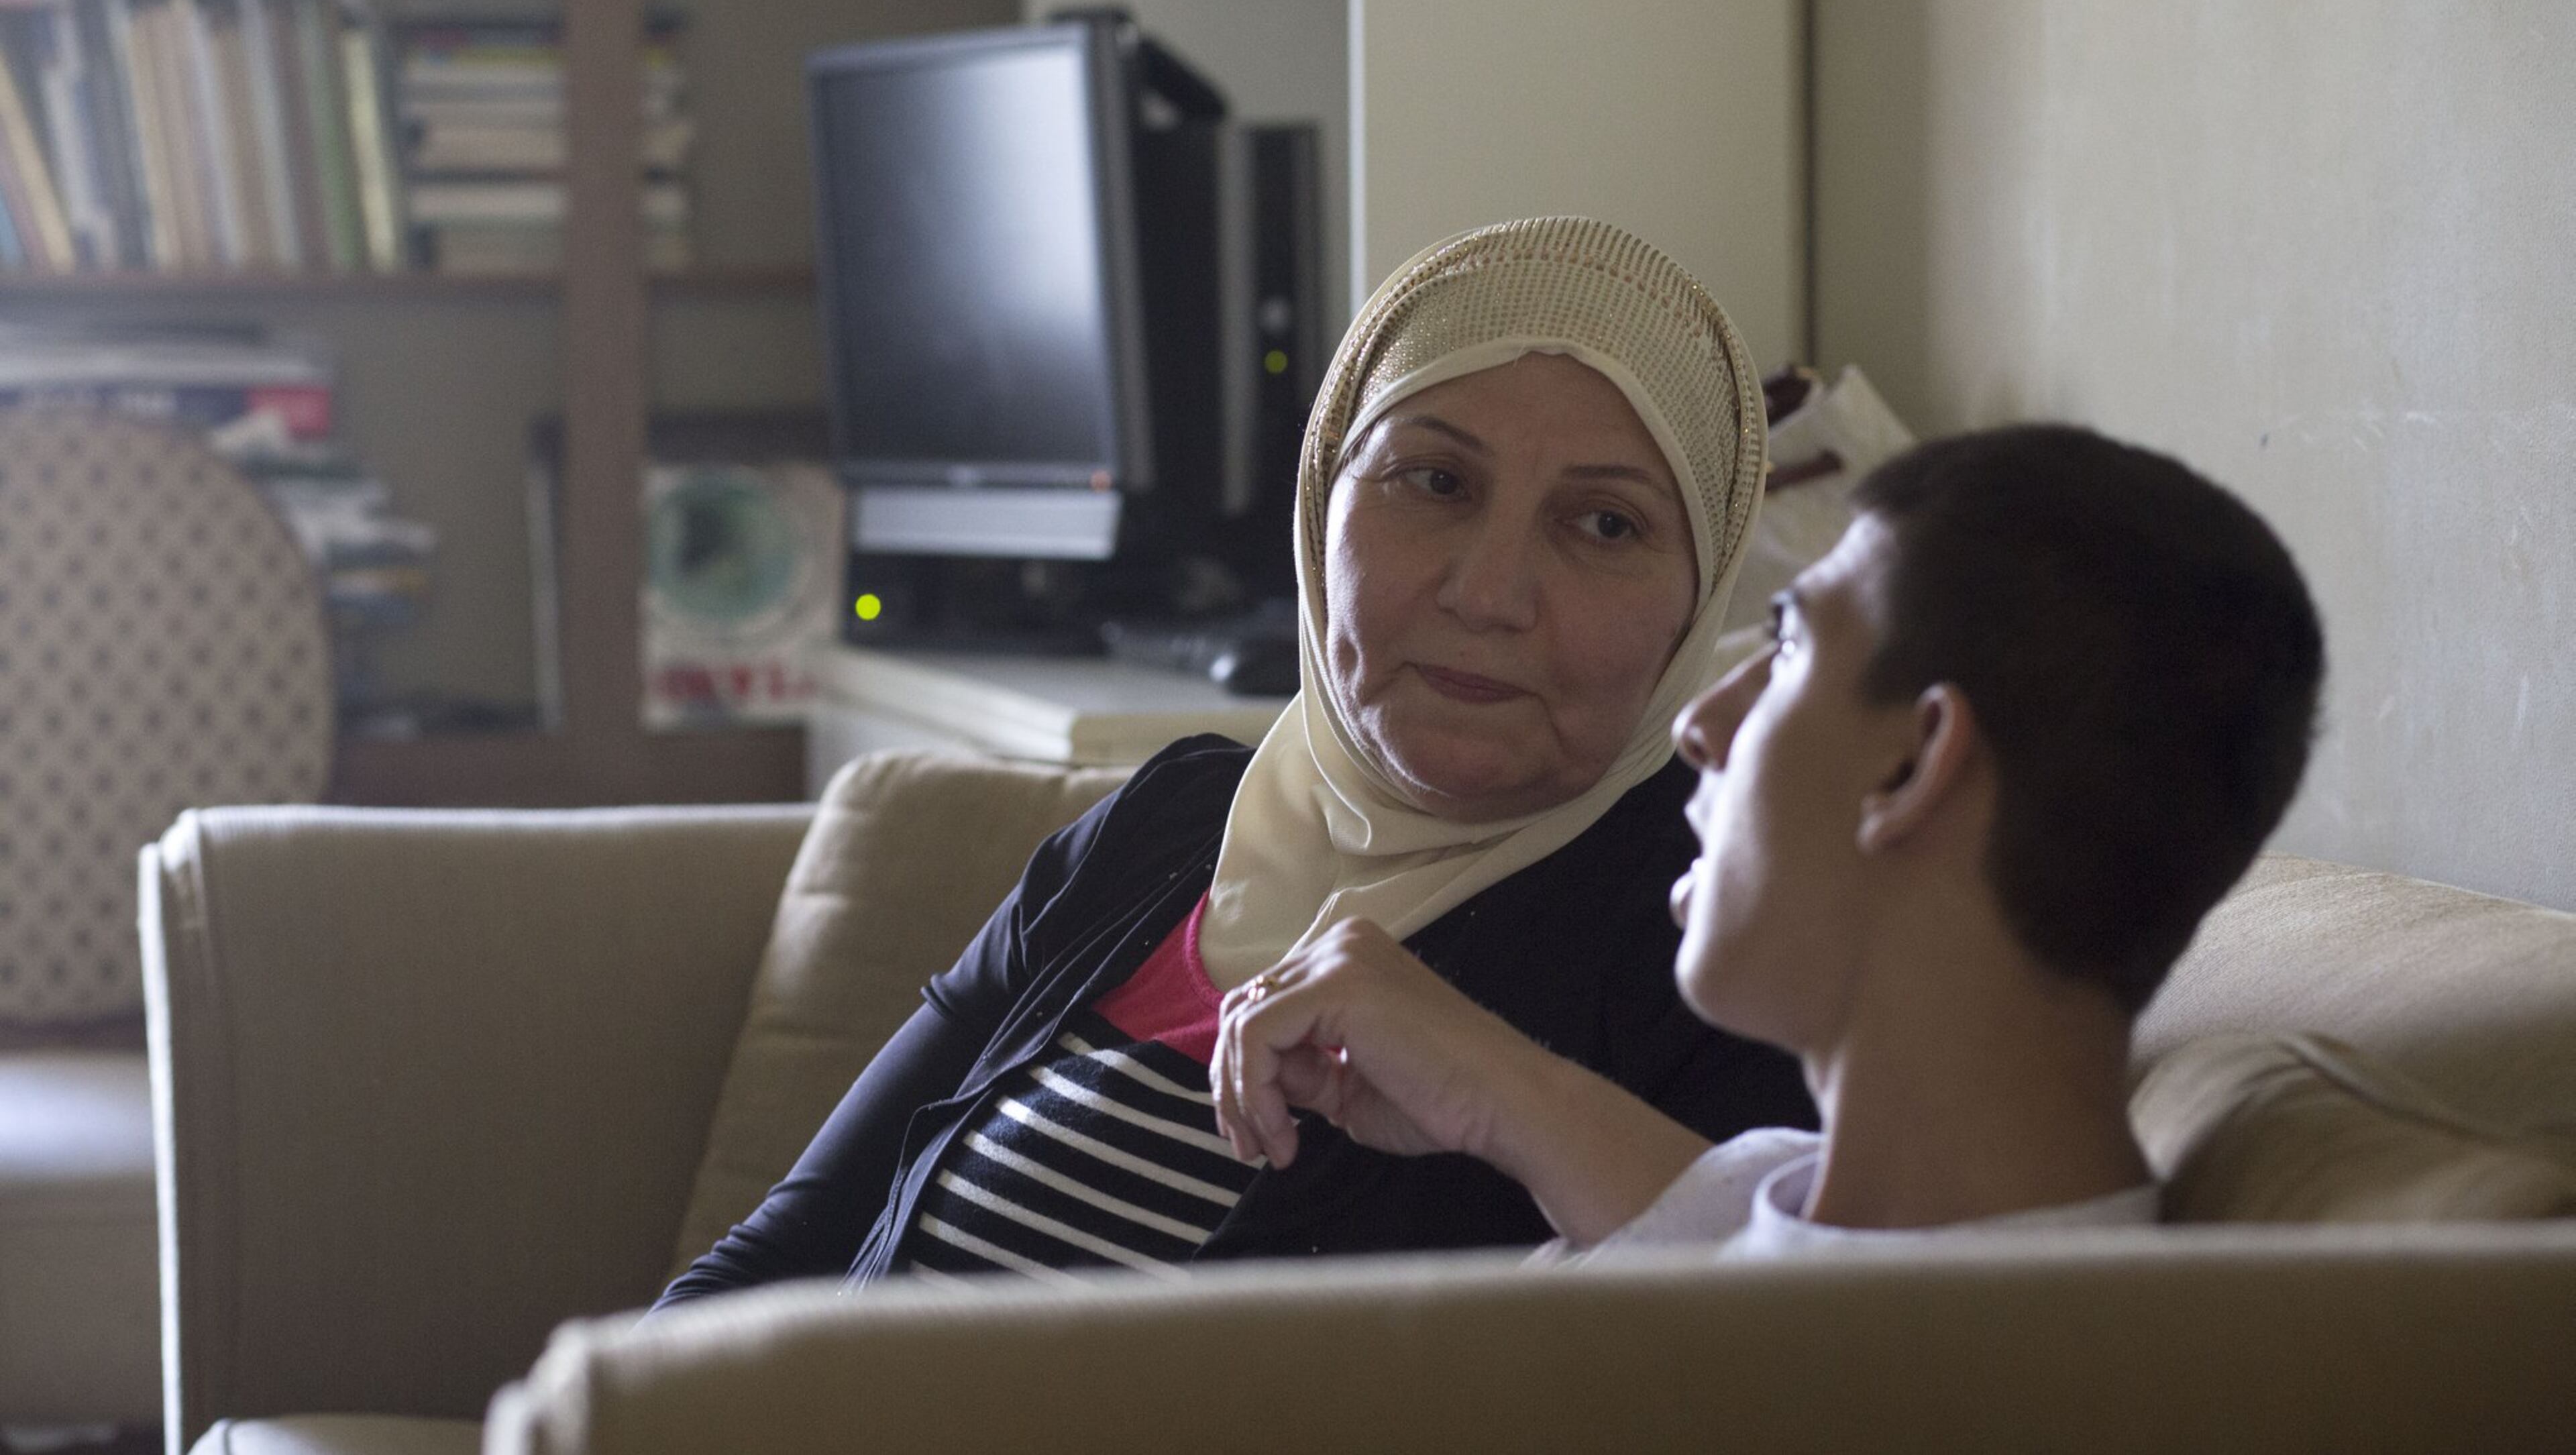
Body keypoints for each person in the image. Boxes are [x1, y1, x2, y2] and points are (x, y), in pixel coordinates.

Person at [656, 215, 1816, 1301]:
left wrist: (1500, 1086)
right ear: (1323, 510)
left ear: (1697, 596)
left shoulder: (1718, 936)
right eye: (1437, 483)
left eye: (1604, 524)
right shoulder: (1170, 823)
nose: (1490, 592)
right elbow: (789, 1254)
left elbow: (1828, 1340)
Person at [1209, 425, 2325, 1256]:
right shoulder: (1797, 1212)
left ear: (1912, 765)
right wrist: (1496, 1095)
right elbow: (1705, 1211)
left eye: (1786, 647)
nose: (1701, 724)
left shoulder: (1953, 1384)